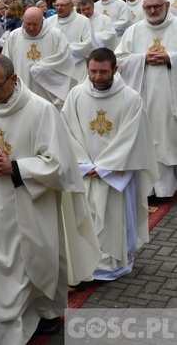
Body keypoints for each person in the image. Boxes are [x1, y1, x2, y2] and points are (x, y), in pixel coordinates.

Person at [0, 55, 98, 343]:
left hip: (32, 204)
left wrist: (16, 167)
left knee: (39, 259)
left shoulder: (41, 110)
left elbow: (59, 163)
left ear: (14, 80)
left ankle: (46, 312)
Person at [61, 49, 158, 281]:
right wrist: (84, 164)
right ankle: (86, 261)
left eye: (103, 71)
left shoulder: (131, 98)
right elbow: (66, 131)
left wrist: (105, 167)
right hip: (85, 170)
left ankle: (112, 262)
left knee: (115, 219)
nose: (97, 77)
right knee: (86, 218)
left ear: (115, 69)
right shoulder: (75, 95)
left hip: (116, 172)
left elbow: (133, 137)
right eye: (93, 71)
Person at [115, 0, 177, 198]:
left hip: (170, 99)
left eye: (157, 6)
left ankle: (167, 188)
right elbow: (119, 59)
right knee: (145, 140)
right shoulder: (133, 31)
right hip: (141, 96)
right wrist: (141, 58)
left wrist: (171, 58)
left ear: (167, 6)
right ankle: (148, 189)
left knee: (166, 141)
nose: (152, 11)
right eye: (148, 7)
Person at [1, 6, 77, 109]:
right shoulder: (14, 36)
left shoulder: (56, 36)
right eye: (28, 24)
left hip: (47, 92)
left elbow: (65, 62)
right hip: (21, 91)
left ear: (42, 21)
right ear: (23, 20)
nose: (31, 28)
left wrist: (41, 69)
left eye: (35, 24)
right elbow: (5, 63)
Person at [46, 0, 96, 83]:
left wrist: (65, 49)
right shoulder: (49, 22)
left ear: (72, 5)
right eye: (57, 5)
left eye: (62, 5)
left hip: (77, 66)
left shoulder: (83, 21)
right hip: (55, 67)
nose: (59, 8)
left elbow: (89, 44)